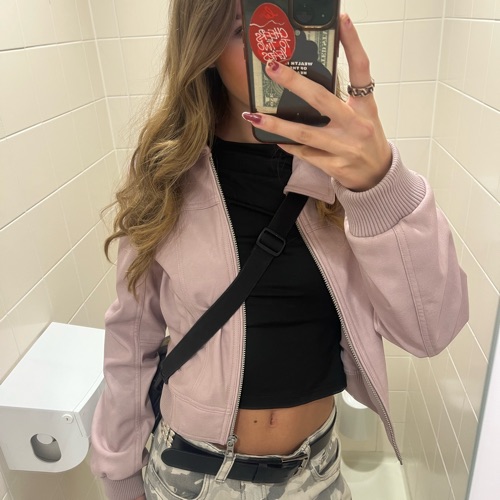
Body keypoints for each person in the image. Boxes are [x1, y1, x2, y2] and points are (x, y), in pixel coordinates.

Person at [90, 1, 469, 499]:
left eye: (286, 24)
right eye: (242, 29)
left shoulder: (353, 171)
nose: (273, 53)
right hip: (191, 474)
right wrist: (119, 475)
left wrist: (380, 182)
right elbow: (130, 337)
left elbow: (431, 332)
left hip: (316, 472)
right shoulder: (167, 173)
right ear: (202, 46)